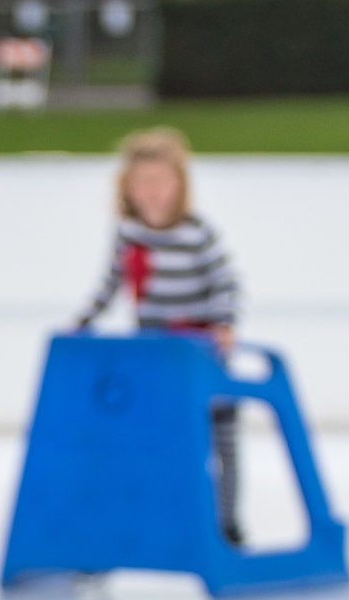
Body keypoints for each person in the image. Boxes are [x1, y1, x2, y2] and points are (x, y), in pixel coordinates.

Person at [73, 124, 247, 541]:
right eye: (142, 183)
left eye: (160, 182)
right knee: (154, 437)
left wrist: (224, 325)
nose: (151, 191)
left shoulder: (197, 234)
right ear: (128, 188)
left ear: (178, 185)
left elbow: (228, 284)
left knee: (222, 439)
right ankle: (149, 518)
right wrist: (82, 322)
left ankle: (228, 522)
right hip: (154, 353)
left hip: (200, 352)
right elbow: (110, 284)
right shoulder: (129, 235)